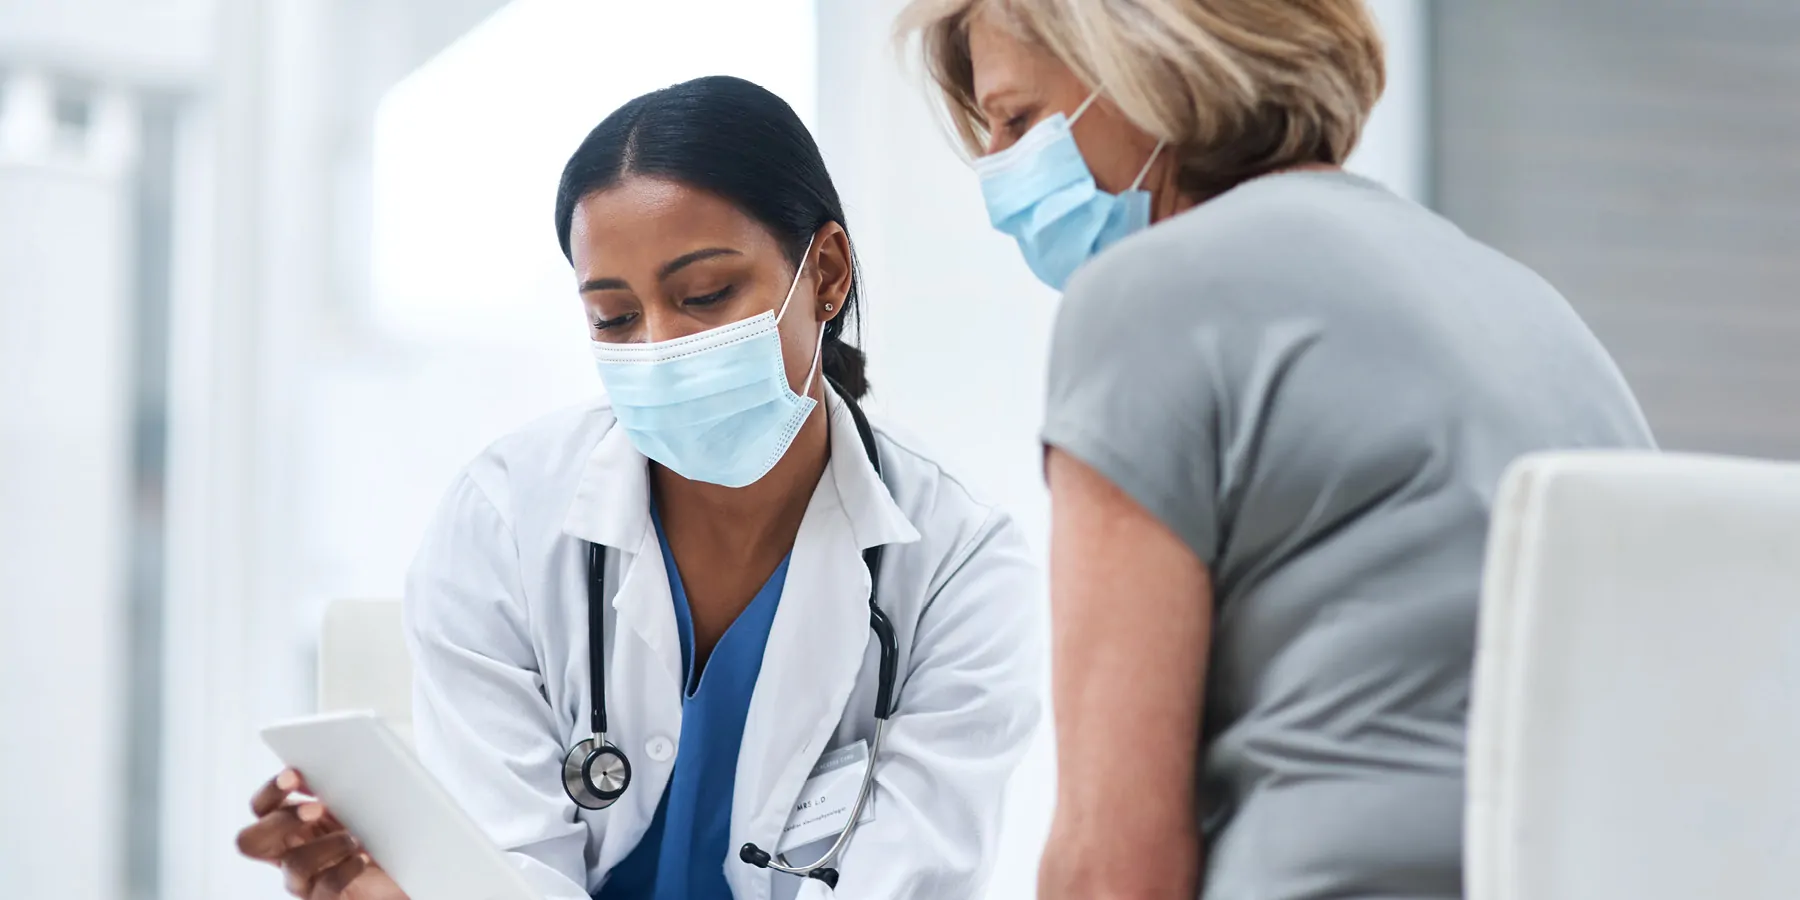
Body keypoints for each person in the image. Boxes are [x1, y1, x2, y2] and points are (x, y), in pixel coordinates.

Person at [899, 1, 1656, 898]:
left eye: (1018, 120)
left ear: (1149, 64)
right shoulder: (1540, 315)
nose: (998, 183)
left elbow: (1115, 867)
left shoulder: (1147, 297)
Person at [235, 75, 1042, 900]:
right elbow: (504, 878)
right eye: (615, 318)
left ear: (826, 273)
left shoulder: (958, 565)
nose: (661, 347)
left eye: (705, 296)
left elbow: (903, 881)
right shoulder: (504, 522)